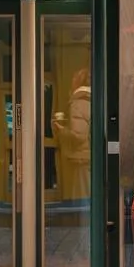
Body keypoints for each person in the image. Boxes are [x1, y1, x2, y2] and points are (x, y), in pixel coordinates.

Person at [52, 67, 91, 199]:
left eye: (74, 79)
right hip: (91, 158)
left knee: (82, 199)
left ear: (78, 82)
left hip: (82, 160)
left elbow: (78, 135)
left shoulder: (78, 103)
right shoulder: (92, 100)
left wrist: (61, 130)